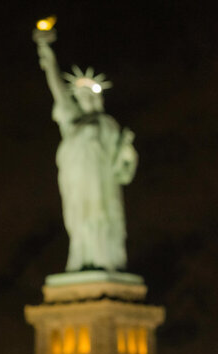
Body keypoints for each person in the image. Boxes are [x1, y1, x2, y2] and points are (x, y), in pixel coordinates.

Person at [36, 36, 138, 272]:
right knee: (80, 219)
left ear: (98, 98)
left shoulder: (108, 124)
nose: (87, 100)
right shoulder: (72, 120)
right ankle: (81, 260)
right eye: (82, 96)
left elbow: (121, 168)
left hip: (102, 182)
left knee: (103, 217)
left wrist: (127, 153)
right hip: (77, 181)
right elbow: (57, 89)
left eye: (91, 95)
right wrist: (48, 56)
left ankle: (106, 261)